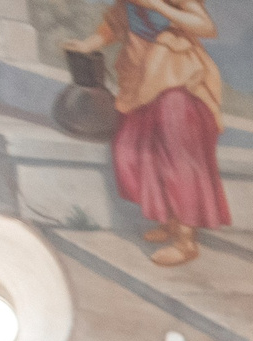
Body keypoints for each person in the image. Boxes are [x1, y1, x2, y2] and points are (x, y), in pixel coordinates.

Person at [63, 0, 231, 267]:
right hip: (142, 79)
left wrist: (158, 6)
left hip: (175, 79)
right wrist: (87, 45)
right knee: (131, 150)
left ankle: (186, 241)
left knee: (177, 158)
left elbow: (206, 27)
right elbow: (114, 26)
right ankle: (169, 221)